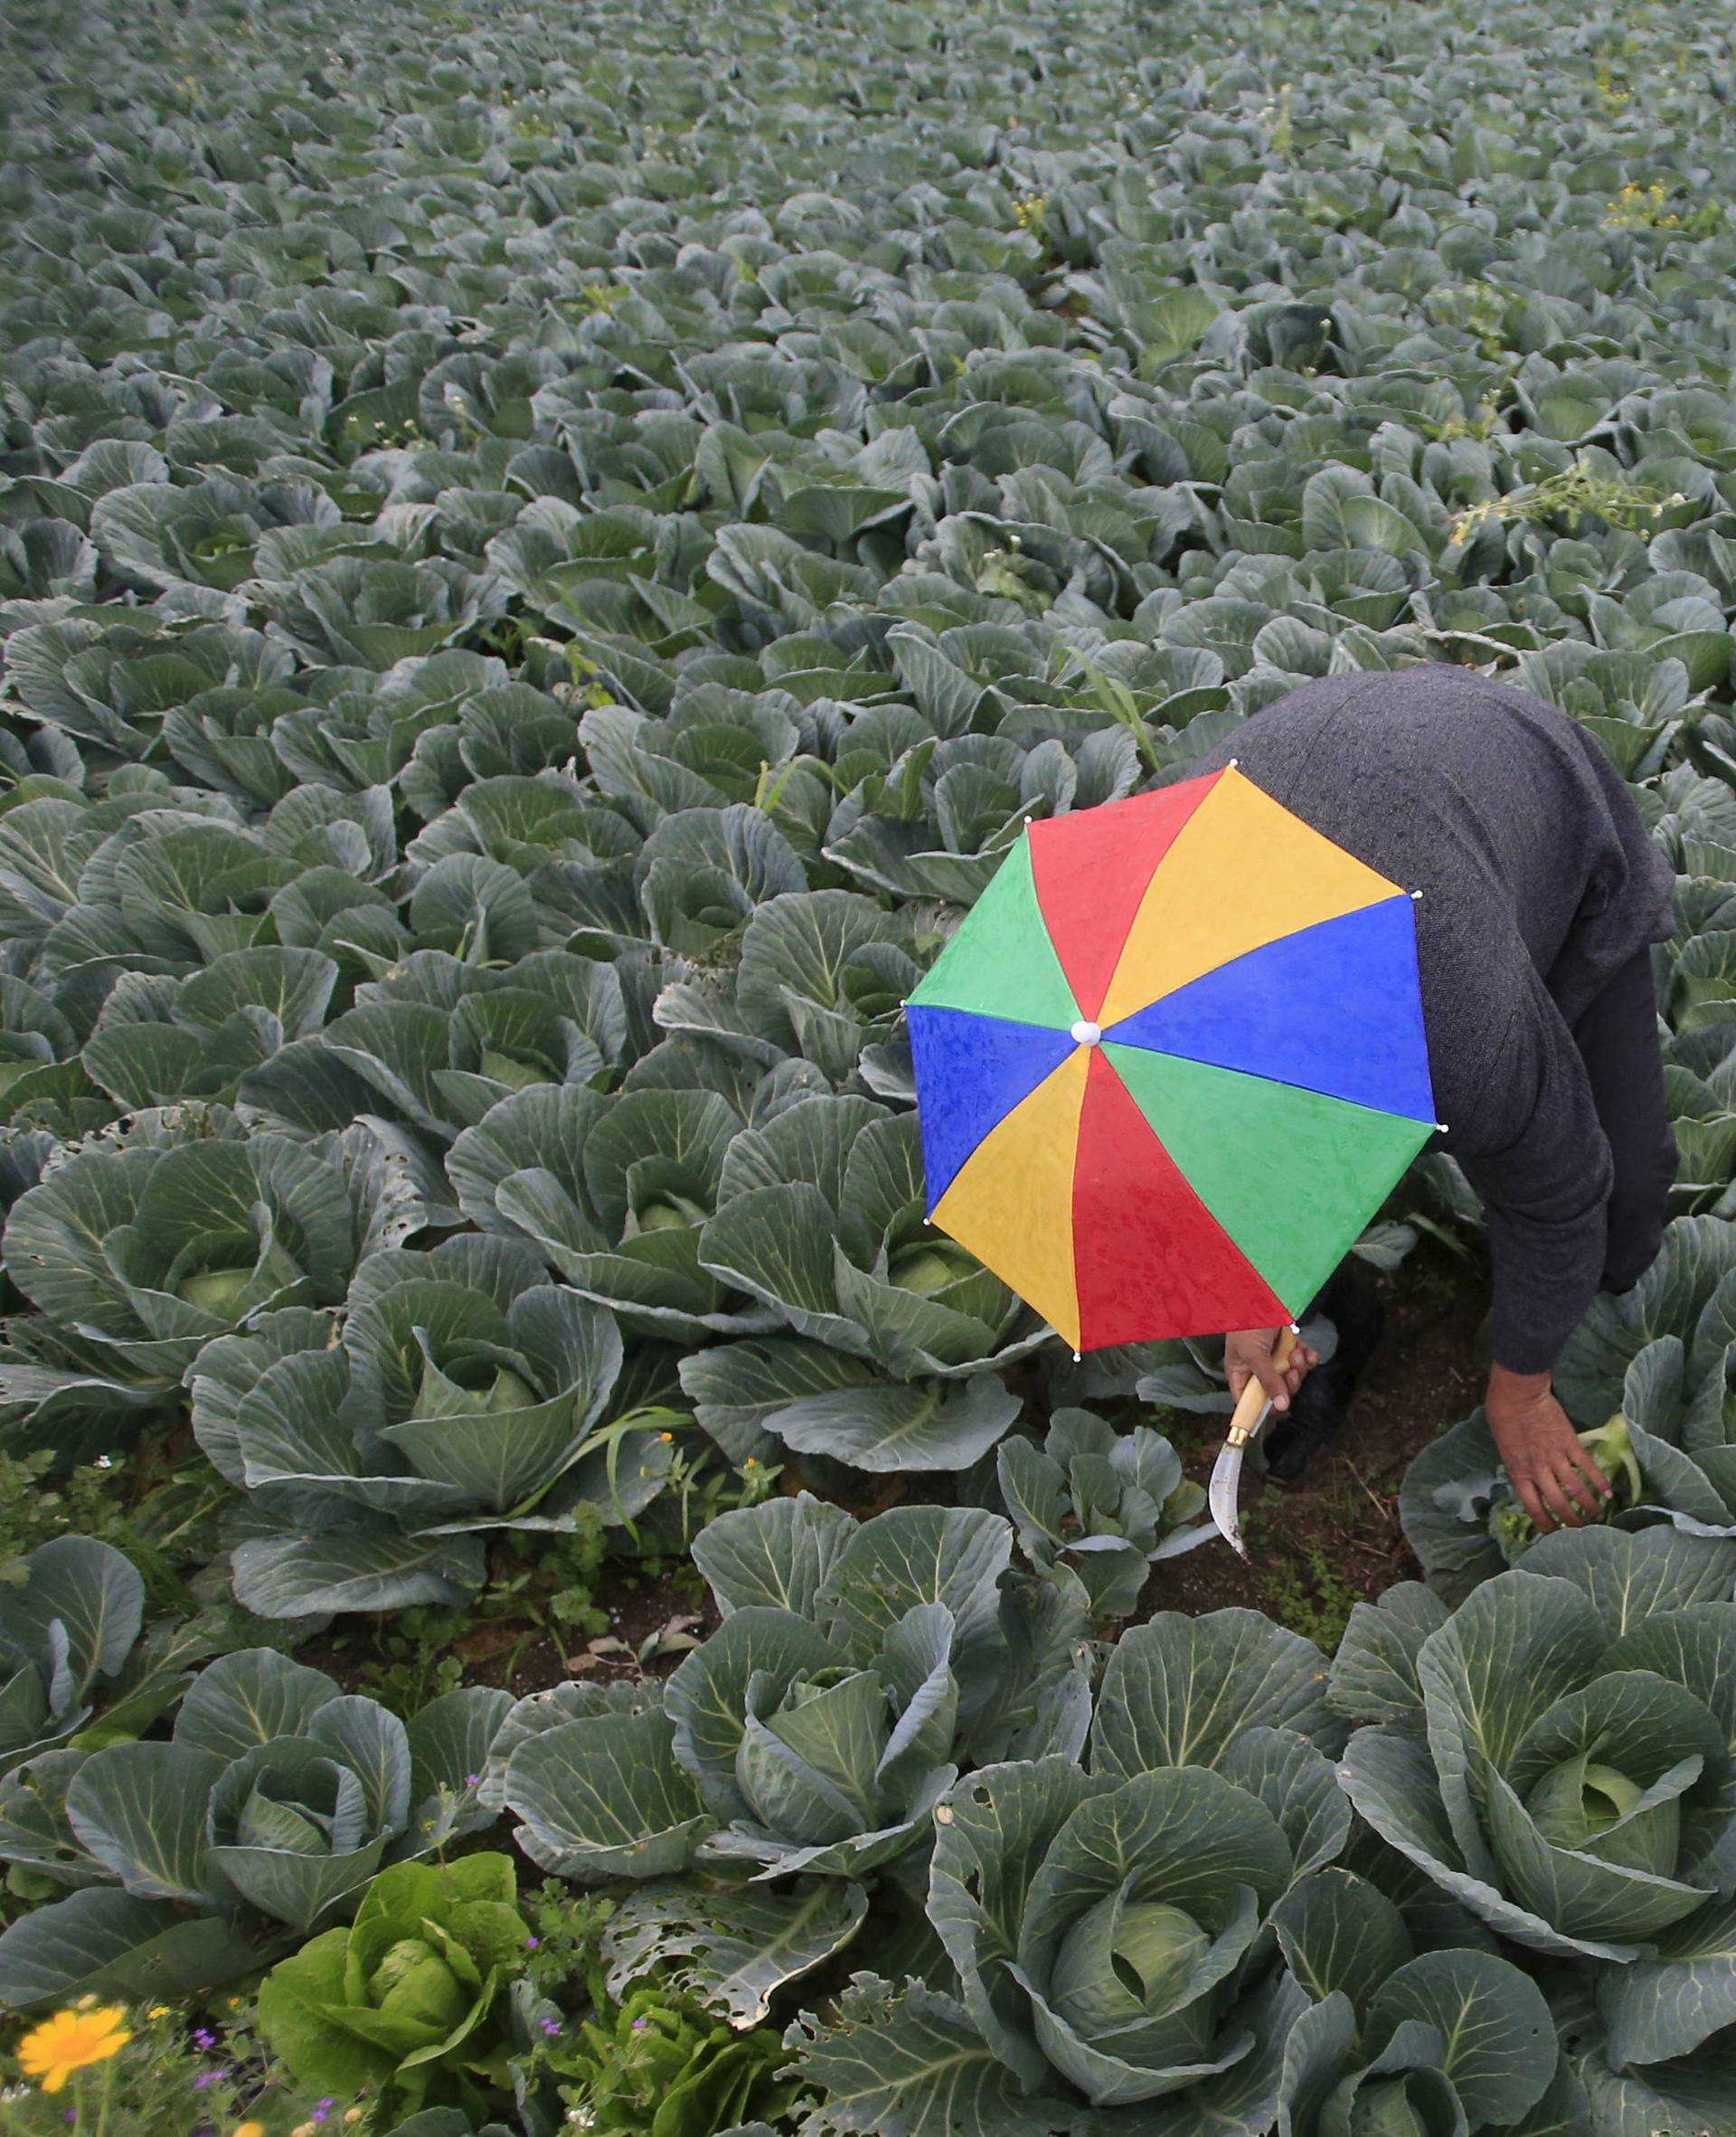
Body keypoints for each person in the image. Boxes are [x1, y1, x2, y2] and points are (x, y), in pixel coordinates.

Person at [1178, 664, 1679, 1537]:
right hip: (1320, 774)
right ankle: (1342, 1319)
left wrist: (1520, 1387)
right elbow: (1242, 1151)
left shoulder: (1451, 1011)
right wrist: (1253, 1288)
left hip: (1529, 802)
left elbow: (1558, 1189)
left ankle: (1580, 1347)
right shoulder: (1152, 979)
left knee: (1624, 1185)